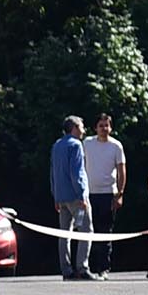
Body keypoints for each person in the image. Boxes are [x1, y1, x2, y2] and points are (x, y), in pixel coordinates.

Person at [81, 113, 128, 276]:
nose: (104, 129)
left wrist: (120, 194)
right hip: (89, 194)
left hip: (108, 193)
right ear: (95, 128)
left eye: (106, 125)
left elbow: (122, 170)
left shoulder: (116, 146)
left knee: (105, 232)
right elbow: (80, 166)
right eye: (101, 126)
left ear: (111, 127)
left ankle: (103, 268)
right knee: (88, 230)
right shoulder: (87, 143)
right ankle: (88, 267)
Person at [49, 116, 91, 279]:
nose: (84, 130)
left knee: (64, 234)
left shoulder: (57, 145)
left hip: (62, 197)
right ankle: (82, 267)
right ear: (74, 127)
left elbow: (53, 173)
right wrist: (82, 195)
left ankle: (66, 269)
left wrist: (56, 196)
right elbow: (77, 172)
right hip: (76, 197)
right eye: (81, 126)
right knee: (85, 230)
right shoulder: (75, 145)